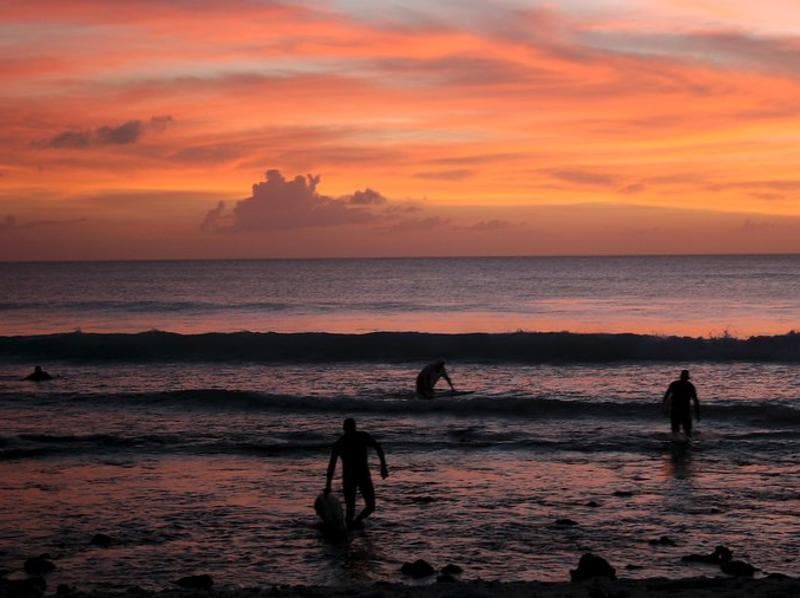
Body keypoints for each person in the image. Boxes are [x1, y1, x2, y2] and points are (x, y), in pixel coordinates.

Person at [325, 418, 388, 529]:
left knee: (366, 507)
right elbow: (332, 465)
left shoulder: (357, 438)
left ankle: (353, 525)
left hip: (360, 476)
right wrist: (383, 467)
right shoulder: (346, 441)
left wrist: (328, 485)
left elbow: (332, 466)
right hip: (354, 477)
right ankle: (352, 526)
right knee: (357, 508)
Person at [662, 369, 700, 437]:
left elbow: (666, 396)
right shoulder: (690, 386)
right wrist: (697, 413)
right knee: (687, 430)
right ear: (687, 377)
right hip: (684, 409)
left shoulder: (674, 384)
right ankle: (685, 442)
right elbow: (695, 400)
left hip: (676, 409)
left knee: (676, 429)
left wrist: (664, 407)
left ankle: (676, 442)